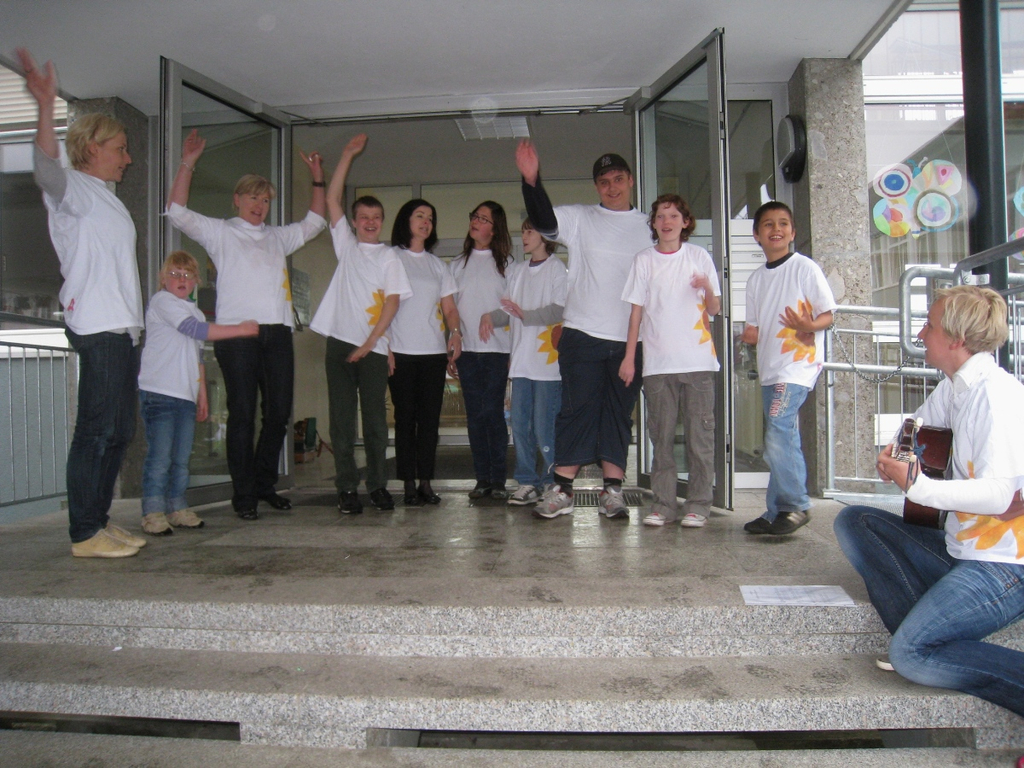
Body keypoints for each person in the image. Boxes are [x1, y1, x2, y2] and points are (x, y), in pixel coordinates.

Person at [835, 285, 1024, 720]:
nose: (921, 333)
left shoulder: (996, 397)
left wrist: (918, 487)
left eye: (930, 325)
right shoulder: (956, 387)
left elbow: (1001, 495)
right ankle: (928, 630)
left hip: (1005, 569)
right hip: (962, 551)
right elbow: (916, 427)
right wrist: (895, 454)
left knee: (911, 655)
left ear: (956, 339)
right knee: (855, 522)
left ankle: (921, 641)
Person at [18, 48, 147, 558]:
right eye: (121, 148)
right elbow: (45, 168)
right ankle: (84, 533)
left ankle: (97, 519)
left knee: (119, 431)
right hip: (97, 323)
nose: (128, 158)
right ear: (92, 147)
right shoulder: (71, 189)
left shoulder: (107, 199)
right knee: (97, 430)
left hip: (122, 327)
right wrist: (45, 105)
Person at [166, 129, 326, 520]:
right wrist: (188, 162)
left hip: (277, 333)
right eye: (253, 197)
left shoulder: (277, 237)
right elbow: (177, 212)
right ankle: (244, 494)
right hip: (237, 335)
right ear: (237, 199)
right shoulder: (221, 231)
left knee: (278, 414)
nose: (260, 205)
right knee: (241, 414)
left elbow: (316, 221)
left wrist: (317, 178)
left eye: (266, 199)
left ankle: (263, 484)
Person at [515, 141, 650, 520]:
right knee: (575, 411)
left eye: (618, 179)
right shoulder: (581, 218)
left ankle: (612, 492)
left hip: (630, 340)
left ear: (631, 181)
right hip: (582, 334)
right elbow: (544, 221)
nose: (612, 187)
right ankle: (562, 489)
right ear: (596, 187)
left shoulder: (648, 226)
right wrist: (531, 180)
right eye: (604, 181)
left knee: (617, 414)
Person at [308, 135, 412, 514]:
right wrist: (347, 155)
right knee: (340, 421)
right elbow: (333, 199)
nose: (370, 223)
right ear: (353, 222)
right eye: (363, 218)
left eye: (376, 218)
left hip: (373, 348)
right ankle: (347, 488)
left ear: (382, 222)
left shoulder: (389, 258)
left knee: (374, 422)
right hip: (339, 343)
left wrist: (373, 345)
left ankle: (378, 486)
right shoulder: (347, 248)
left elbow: (392, 303)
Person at [137, 251, 259, 535]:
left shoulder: (195, 311)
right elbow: (194, 331)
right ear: (163, 279)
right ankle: (152, 511)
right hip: (159, 392)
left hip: (185, 395)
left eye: (188, 275)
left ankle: (177, 507)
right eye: (175, 274)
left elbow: (198, 358)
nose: (181, 279)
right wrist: (240, 330)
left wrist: (201, 393)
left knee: (181, 459)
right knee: (160, 458)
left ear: (196, 281)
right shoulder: (163, 301)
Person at [619, 194, 721, 528]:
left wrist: (707, 286)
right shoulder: (644, 260)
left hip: (698, 363)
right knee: (660, 440)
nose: (667, 222)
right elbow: (636, 314)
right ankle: (663, 505)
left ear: (685, 222)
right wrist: (629, 359)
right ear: (653, 223)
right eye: (660, 216)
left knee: (699, 440)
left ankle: (699, 505)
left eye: (674, 215)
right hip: (658, 366)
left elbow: (715, 308)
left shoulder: (699, 256)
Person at [740, 201, 836, 535]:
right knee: (779, 434)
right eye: (768, 224)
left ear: (793, 232)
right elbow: (754, 328)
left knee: (779, 430)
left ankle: (795, 505)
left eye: (783, 223)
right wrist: (748, 336)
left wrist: (808, 325)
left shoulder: (804, 268)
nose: (776, 229)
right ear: (757, 235)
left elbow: (828, 315)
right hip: (770, 367)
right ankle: (775, 511)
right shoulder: (755, 280)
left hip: (797, 365)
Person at [480, 219, 567, 506]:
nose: (524, 236)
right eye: (524, 231)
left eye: (530, 231)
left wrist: (524, 314)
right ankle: (527, 481)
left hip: (547, 367)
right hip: (520, 364)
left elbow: (559, 309)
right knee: (519, 425)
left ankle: (552, 482)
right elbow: (509, 311)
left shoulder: (557, 269)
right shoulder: (517, 271)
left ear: (545, 236)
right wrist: (489, 317)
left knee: (544, 427)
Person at [387, 199, 462, 506]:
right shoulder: (390, 258)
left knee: (430, 421)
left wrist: (455, 333)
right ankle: (407, 483)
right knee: (405, 419)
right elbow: (380, 306)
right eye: (419, 216)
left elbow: (450, 308)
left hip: (432, 353)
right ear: (405, 220)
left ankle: (426, 483)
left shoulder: (437, 265)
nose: (426, 222)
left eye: (430, 218)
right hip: (400, 351)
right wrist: (384, 346)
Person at [450, 202, 513, 500]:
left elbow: (513, 311)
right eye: (474, 216)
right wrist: (452, 346)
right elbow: (449, 311)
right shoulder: (456, 265)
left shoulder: (507, 265)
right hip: (467, 352)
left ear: (495, 228)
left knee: (493, 414)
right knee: (475, 416)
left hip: (498, 351)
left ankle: (498, 480)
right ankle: (482, 480)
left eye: (483, 219)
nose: (476, 221)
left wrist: (514, 353)